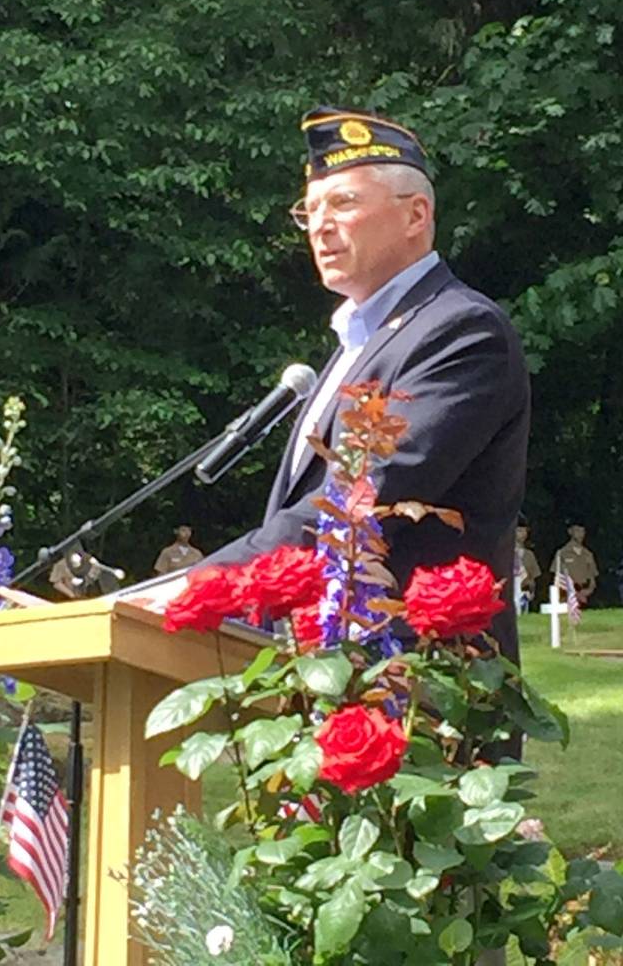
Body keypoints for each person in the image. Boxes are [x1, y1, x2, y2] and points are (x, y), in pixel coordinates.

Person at [204, 104, 530, 668]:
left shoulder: (459, 332)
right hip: (327, 681)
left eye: (344, 203)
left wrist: (196, 588)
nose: (321, 225)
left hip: (423, 695)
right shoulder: (356, 344)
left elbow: (349, 510)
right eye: (310, 211)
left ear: (415, 215)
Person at [550, 523, 598, 606]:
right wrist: (573, 593)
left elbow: (592, 578)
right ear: (570, 531)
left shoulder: (588, 554)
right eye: (577, 530)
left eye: (582, 531)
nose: (580, 534)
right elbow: (557, 578)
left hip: (585, 595)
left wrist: (587, 591)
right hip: (567, 595)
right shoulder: (562, 553)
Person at [514, 522, 541, 613]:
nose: (523, 534)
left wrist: (531, 589)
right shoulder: (506, 553)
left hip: (524, 590)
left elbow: (533, 575)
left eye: (525, 531)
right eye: (519, 531)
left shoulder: (529, 554)